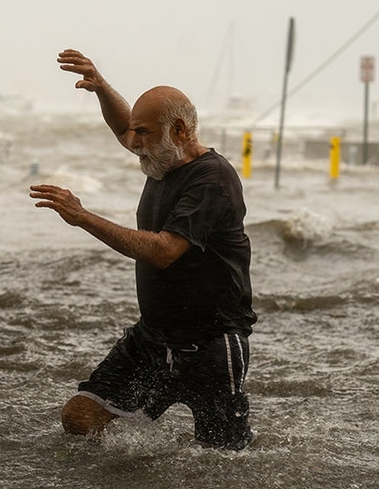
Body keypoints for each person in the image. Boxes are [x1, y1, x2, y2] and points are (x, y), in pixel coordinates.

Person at [29, 49, 257, 450]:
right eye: (135, 133)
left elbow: (165, 250)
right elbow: (123, 128)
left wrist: (83, 217)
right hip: (152, 339)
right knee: (81, 417)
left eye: (145, 134)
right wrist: (101, 87)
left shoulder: (212, 179)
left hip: (212, 345)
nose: (134, 143)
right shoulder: (160, 158)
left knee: (223, 462)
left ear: (181, 131)